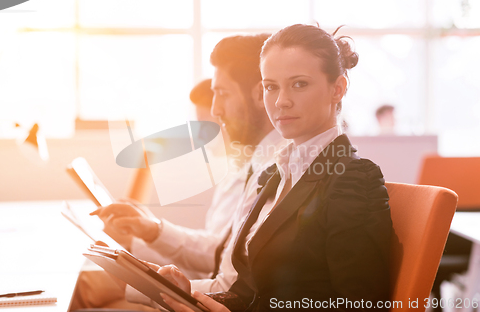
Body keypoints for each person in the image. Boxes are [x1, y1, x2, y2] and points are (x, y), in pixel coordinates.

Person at [160, 24, 393, 312]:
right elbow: (247, 290)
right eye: (271, 86)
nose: (281, 101)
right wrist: (184, 293)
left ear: (338, 89)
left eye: (299, 84)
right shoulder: (274, 174)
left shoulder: (353, 179)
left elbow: (362, 305)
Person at [71, 34, 287, 310]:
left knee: (85, 291)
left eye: (222, 94)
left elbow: (227, 282)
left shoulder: (276, 172)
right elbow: (221, 252)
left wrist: (149, 271)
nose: (215, 113)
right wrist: (150, 232)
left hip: (203, 295)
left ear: (260, 94)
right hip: (200, 290)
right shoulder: (256, 167)